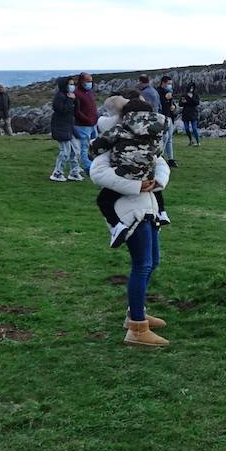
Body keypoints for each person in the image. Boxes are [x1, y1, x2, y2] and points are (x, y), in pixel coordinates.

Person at [90, 97, 171, 348]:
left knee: (152, 262)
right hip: (132, 209)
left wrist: (157, 182)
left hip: (149, 206)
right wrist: (138, 185)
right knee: (142, 265)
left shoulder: (144, 138)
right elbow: (98, 172)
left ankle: (136, 311)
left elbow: (160, 163)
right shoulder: (113, 143)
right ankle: (137, 328)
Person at [49, 76, 82, 182]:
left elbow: (75, 111)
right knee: (65, 152)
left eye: (73, 84)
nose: (72, 86)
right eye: (70, 84)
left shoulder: (70, 96)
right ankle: (57, 173)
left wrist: (74, 99)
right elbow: (61, 110)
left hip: (69, 127)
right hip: (61, 127)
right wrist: (69, 100)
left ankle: (74, 172)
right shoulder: (60, 97)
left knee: (75, 150)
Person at [72, 71, 98, 175]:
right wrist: (87, 119)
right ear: (82, 81)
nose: (90, 83)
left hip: (92, 124)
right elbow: (76, 111)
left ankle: (91, 164)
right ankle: (88, 166)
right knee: (84, 147)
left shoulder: (89, 92)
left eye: (91, 81)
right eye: (88, 81)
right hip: (82, 125)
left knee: (91, 146)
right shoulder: (77, 93)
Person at [160, 87, 179, 168]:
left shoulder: (169, 93)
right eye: (169, 83)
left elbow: (173, 104)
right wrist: (165, 99)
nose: (170, 85)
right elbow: (160, 105)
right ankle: (160, 157)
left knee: (169, 139)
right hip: (163, 118)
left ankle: (171, 159)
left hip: (170, 117)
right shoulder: (159, 92)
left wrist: (174, 107)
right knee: (164, 137)